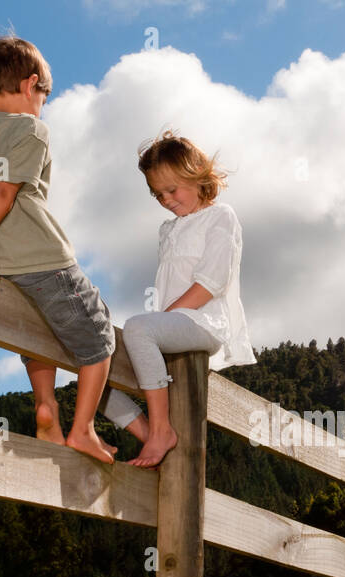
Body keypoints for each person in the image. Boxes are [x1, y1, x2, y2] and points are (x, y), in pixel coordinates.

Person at [0, 33, 139, 464]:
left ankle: (47, 410)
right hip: (45, 260)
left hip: (2, 273)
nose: (43, 104)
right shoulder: (30, 129)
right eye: (45, 94)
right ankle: (82, 430)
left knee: (37, 335)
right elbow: (3, 193)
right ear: (30, 85)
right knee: (98, 336)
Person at [113, 131, 255, 468]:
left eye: (172, 189)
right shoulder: (168, 230)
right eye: (157, 194)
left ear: (197, 176)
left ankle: (162, 430)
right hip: (169, 325)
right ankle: (150, 432)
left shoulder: (221, 217)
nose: (166, 199)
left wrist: (158, 324)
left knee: (137, 329)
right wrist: (157, 326)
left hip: (204, 323)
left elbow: (210, 283)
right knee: (94, 362)